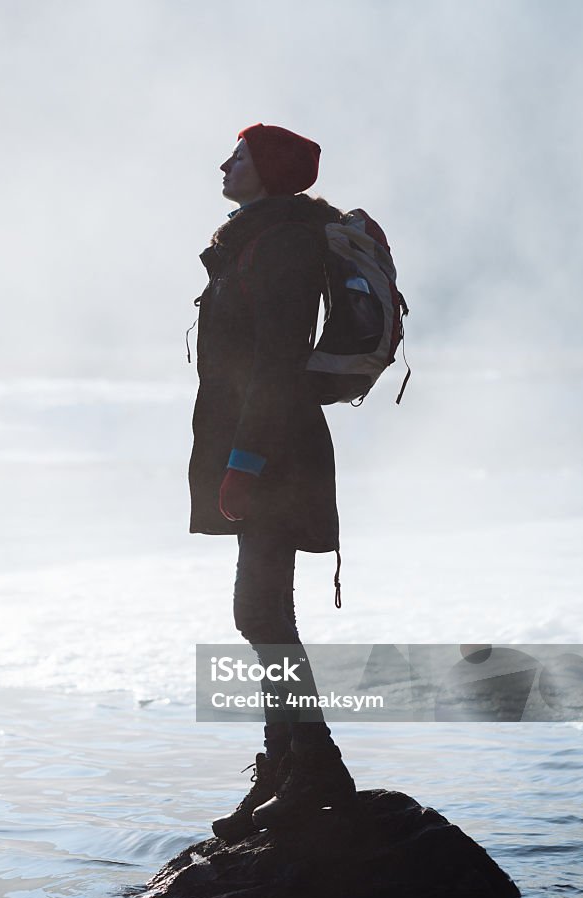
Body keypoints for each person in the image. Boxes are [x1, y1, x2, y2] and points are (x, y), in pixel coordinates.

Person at [188, 123, 356, 842]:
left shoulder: (280, 241)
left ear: (268, 171)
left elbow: (279, 362)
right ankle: (287, 766)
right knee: (261, 618)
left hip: (274, 455)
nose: (225, 164)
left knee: (261, 617)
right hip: (259, 449)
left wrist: (244, 464)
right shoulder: (255, 236)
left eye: (239, 156)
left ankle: (310, 767)